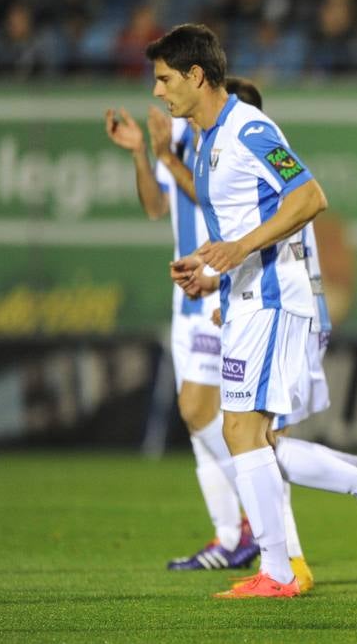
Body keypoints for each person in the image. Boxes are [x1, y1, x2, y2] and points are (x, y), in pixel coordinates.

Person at [159, 24, 357, 598]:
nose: (158, 92)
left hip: (276, 301)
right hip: (243, 298)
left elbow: (310, 197)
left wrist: (237, 251)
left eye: (164, 79)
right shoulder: (205, 142)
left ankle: (282, 569)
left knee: (242, 431)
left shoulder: (249, 128)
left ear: (195, 76)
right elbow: (239, 228)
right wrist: (210, 273)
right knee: (246, 434)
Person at [104, 87, 259, 573]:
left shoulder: (226, 142)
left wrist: (166, 155)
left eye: (168, 79)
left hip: (218, 284)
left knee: (196, 408)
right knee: (198, 427)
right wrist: (140, 155)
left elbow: (204, 193)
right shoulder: (181, 138)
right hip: (185, 295)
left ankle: (259, 510)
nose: (163, 91)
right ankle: (230, 535)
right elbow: (155, 207)